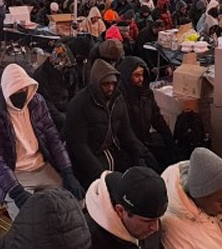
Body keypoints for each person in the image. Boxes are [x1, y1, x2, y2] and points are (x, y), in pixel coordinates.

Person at [0, 64, 83, 219]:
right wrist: (16, 191)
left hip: (42, 166)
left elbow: (53, 138)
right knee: (28, 221)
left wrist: (67, 171)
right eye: (17, 90)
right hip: (15, 173)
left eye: (24, 88)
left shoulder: (36, 102)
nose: (22, 93)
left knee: (76, 204)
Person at [65, 60, 157, 188]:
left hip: (112, 149)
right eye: (106, 84)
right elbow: (79, 146)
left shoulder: (117, 99)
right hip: (90, 154)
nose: (110, 88)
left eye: (113, 84)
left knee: (140, 167)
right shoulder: (80, 104)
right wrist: (101, 175)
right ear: (97, 83)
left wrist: (144, 153)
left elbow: (126, 133)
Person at [116, 56, 175, 167]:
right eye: (137, 75)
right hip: (127, 147)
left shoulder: (146, 94)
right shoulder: (120, 98)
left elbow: (157, 118)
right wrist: (144, 152)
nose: (141, 79)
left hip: (145, 140)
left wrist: (170, 141)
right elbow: (124, 132)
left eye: (142, 75)